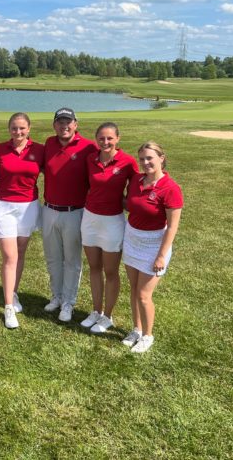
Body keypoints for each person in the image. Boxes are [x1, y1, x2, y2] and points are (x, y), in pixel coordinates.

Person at [122, 141, 183, 353]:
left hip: (153, 245)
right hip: (132, 240)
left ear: (161, 158)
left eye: (150, 158)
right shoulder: (137, 180)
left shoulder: (171, 188)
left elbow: (172, 227)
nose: (145, 163)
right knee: (133, 290)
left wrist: (161, 256)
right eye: (142, 159)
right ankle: (136, 330)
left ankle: (148, 336)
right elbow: (129, 204)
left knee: (143, 294)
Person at [80, 122, 138, 333]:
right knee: (94, 268)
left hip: (113, 221)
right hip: (90, 218)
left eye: (110, 138)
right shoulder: (90, 159)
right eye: (102, 138)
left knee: (111, 271)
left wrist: (128, 202)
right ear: (96, 139)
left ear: (117, 139)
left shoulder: (128, 162)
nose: (106, 142)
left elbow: (136, 189)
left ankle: (108, 316)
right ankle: (96, 311)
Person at [41, 108, 97, 323]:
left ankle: (68, 302)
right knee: (53, 257)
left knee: (72, 260)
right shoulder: (49, 143)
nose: (64, 126)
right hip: (49, 210)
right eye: (60, 122)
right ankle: (56, 296)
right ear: (54, 125)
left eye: (68, 122)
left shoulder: (88, 147)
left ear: (76, 124)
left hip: (74, 211)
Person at [0, 112, 44, 329]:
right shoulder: (0, 150)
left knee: (20, 252)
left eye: (22, 128)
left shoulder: (39, 150)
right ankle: (8, 306)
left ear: (29, 129)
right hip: (4, 207)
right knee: (9, 256)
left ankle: (12, 292)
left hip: (28, 207)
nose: (18, 132)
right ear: (9, 129)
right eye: (14, 128)